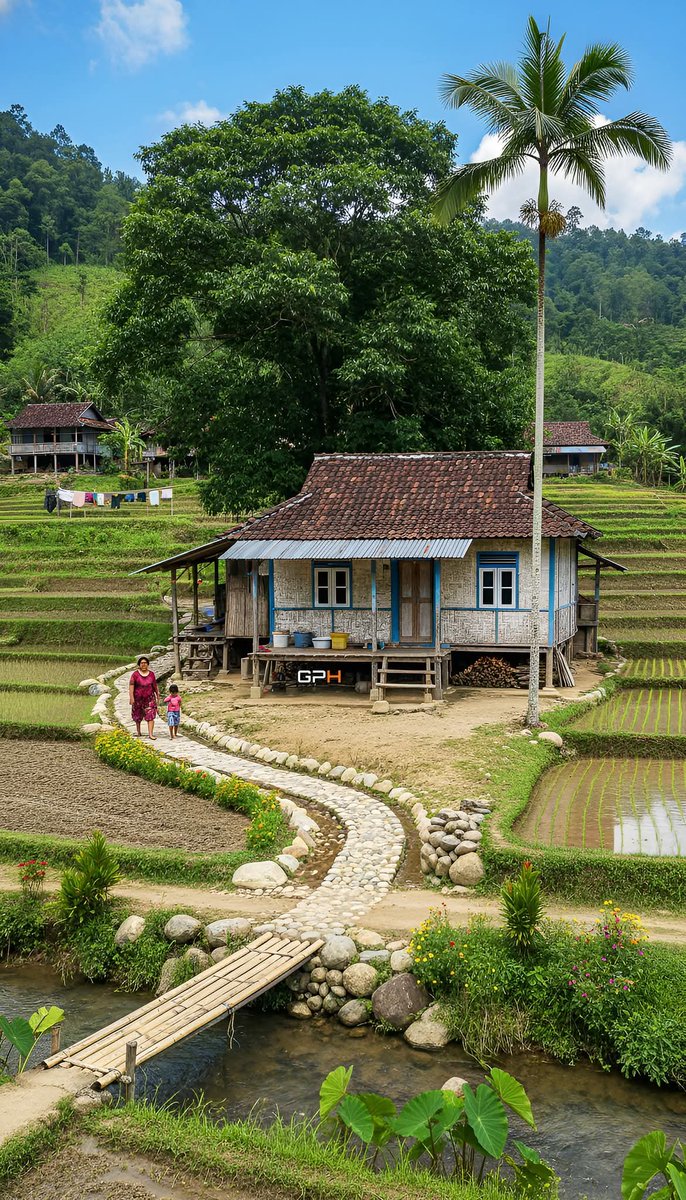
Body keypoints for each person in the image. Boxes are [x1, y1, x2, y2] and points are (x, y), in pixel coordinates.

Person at [128, 656, 160, 739]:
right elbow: (131, 686)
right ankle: (138, 732)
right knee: (137, 715)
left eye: (145, 663)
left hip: (150, 699)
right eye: (142, 663)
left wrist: (157, 695)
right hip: (138, 699)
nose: (143, 664)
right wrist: (131, 698)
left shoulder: (152, 674)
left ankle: (150, 734)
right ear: (139, 664)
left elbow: (155, 686)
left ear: (148, 664)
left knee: (151, 715)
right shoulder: (135, 674)